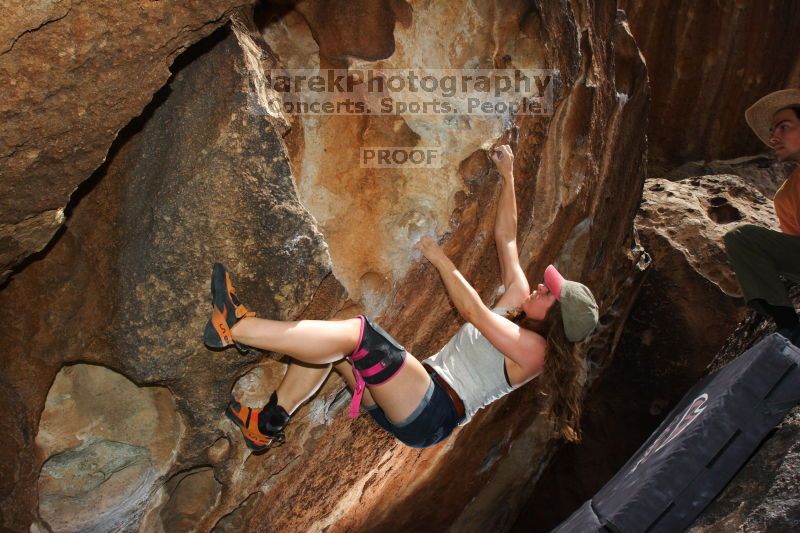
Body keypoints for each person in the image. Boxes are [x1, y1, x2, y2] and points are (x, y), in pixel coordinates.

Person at [204, 145, 599, 453]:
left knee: (361, 335)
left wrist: (438, 257)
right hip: (415, 397)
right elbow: (507, 239)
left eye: (549, 293)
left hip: (432, 411)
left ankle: (236, 326)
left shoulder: (535, 353)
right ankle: (267, 423)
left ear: (556, 320)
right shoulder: (518, 301)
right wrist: (508, 175)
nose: (541, 287)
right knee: (338, 339)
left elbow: (474, 311)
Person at [724, 89, 800, 346]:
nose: (774, 137)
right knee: (741, 238)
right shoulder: (786, 197)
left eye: (783, 127)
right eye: (772, 131)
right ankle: (790, 328)